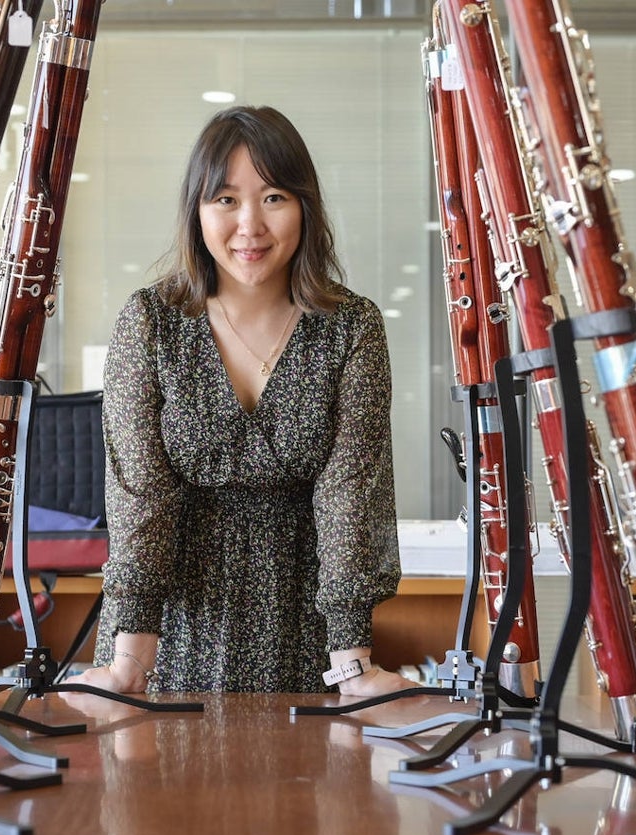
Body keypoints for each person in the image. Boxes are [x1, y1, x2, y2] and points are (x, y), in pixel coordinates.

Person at [63, 105, 416, 697]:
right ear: (196, 212)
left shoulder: (352, 326)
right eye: (225, 199)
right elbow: (139, 491)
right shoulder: (150, 323)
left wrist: (352, 663)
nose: (250, 224)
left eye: (274, 196)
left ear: (305, 206)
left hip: (309, 627)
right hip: (167, 632)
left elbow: (353, 490)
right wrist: (131, 658)